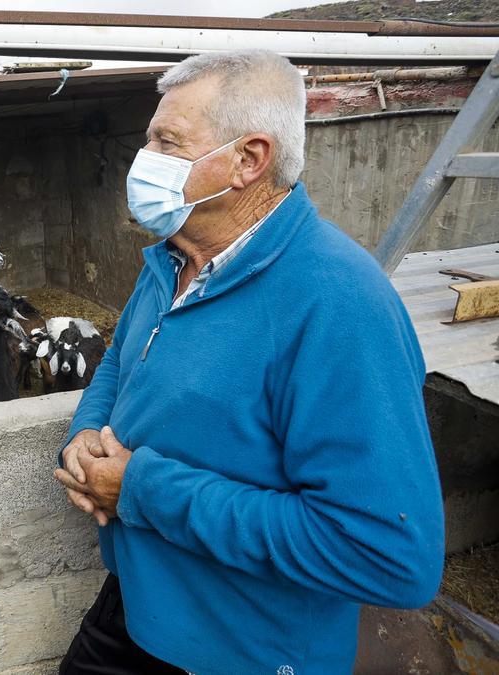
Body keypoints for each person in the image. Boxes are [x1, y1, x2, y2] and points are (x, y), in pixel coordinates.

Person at [52, 50, 444, 674]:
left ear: (248, 160)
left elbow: (387, 554)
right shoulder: (170, 262)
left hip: (242, 648)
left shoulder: (339, 304)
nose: (142, 159)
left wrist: (140, 488)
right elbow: (119, 366)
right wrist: (83, 438)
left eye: (166, 141)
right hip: (136, 600)